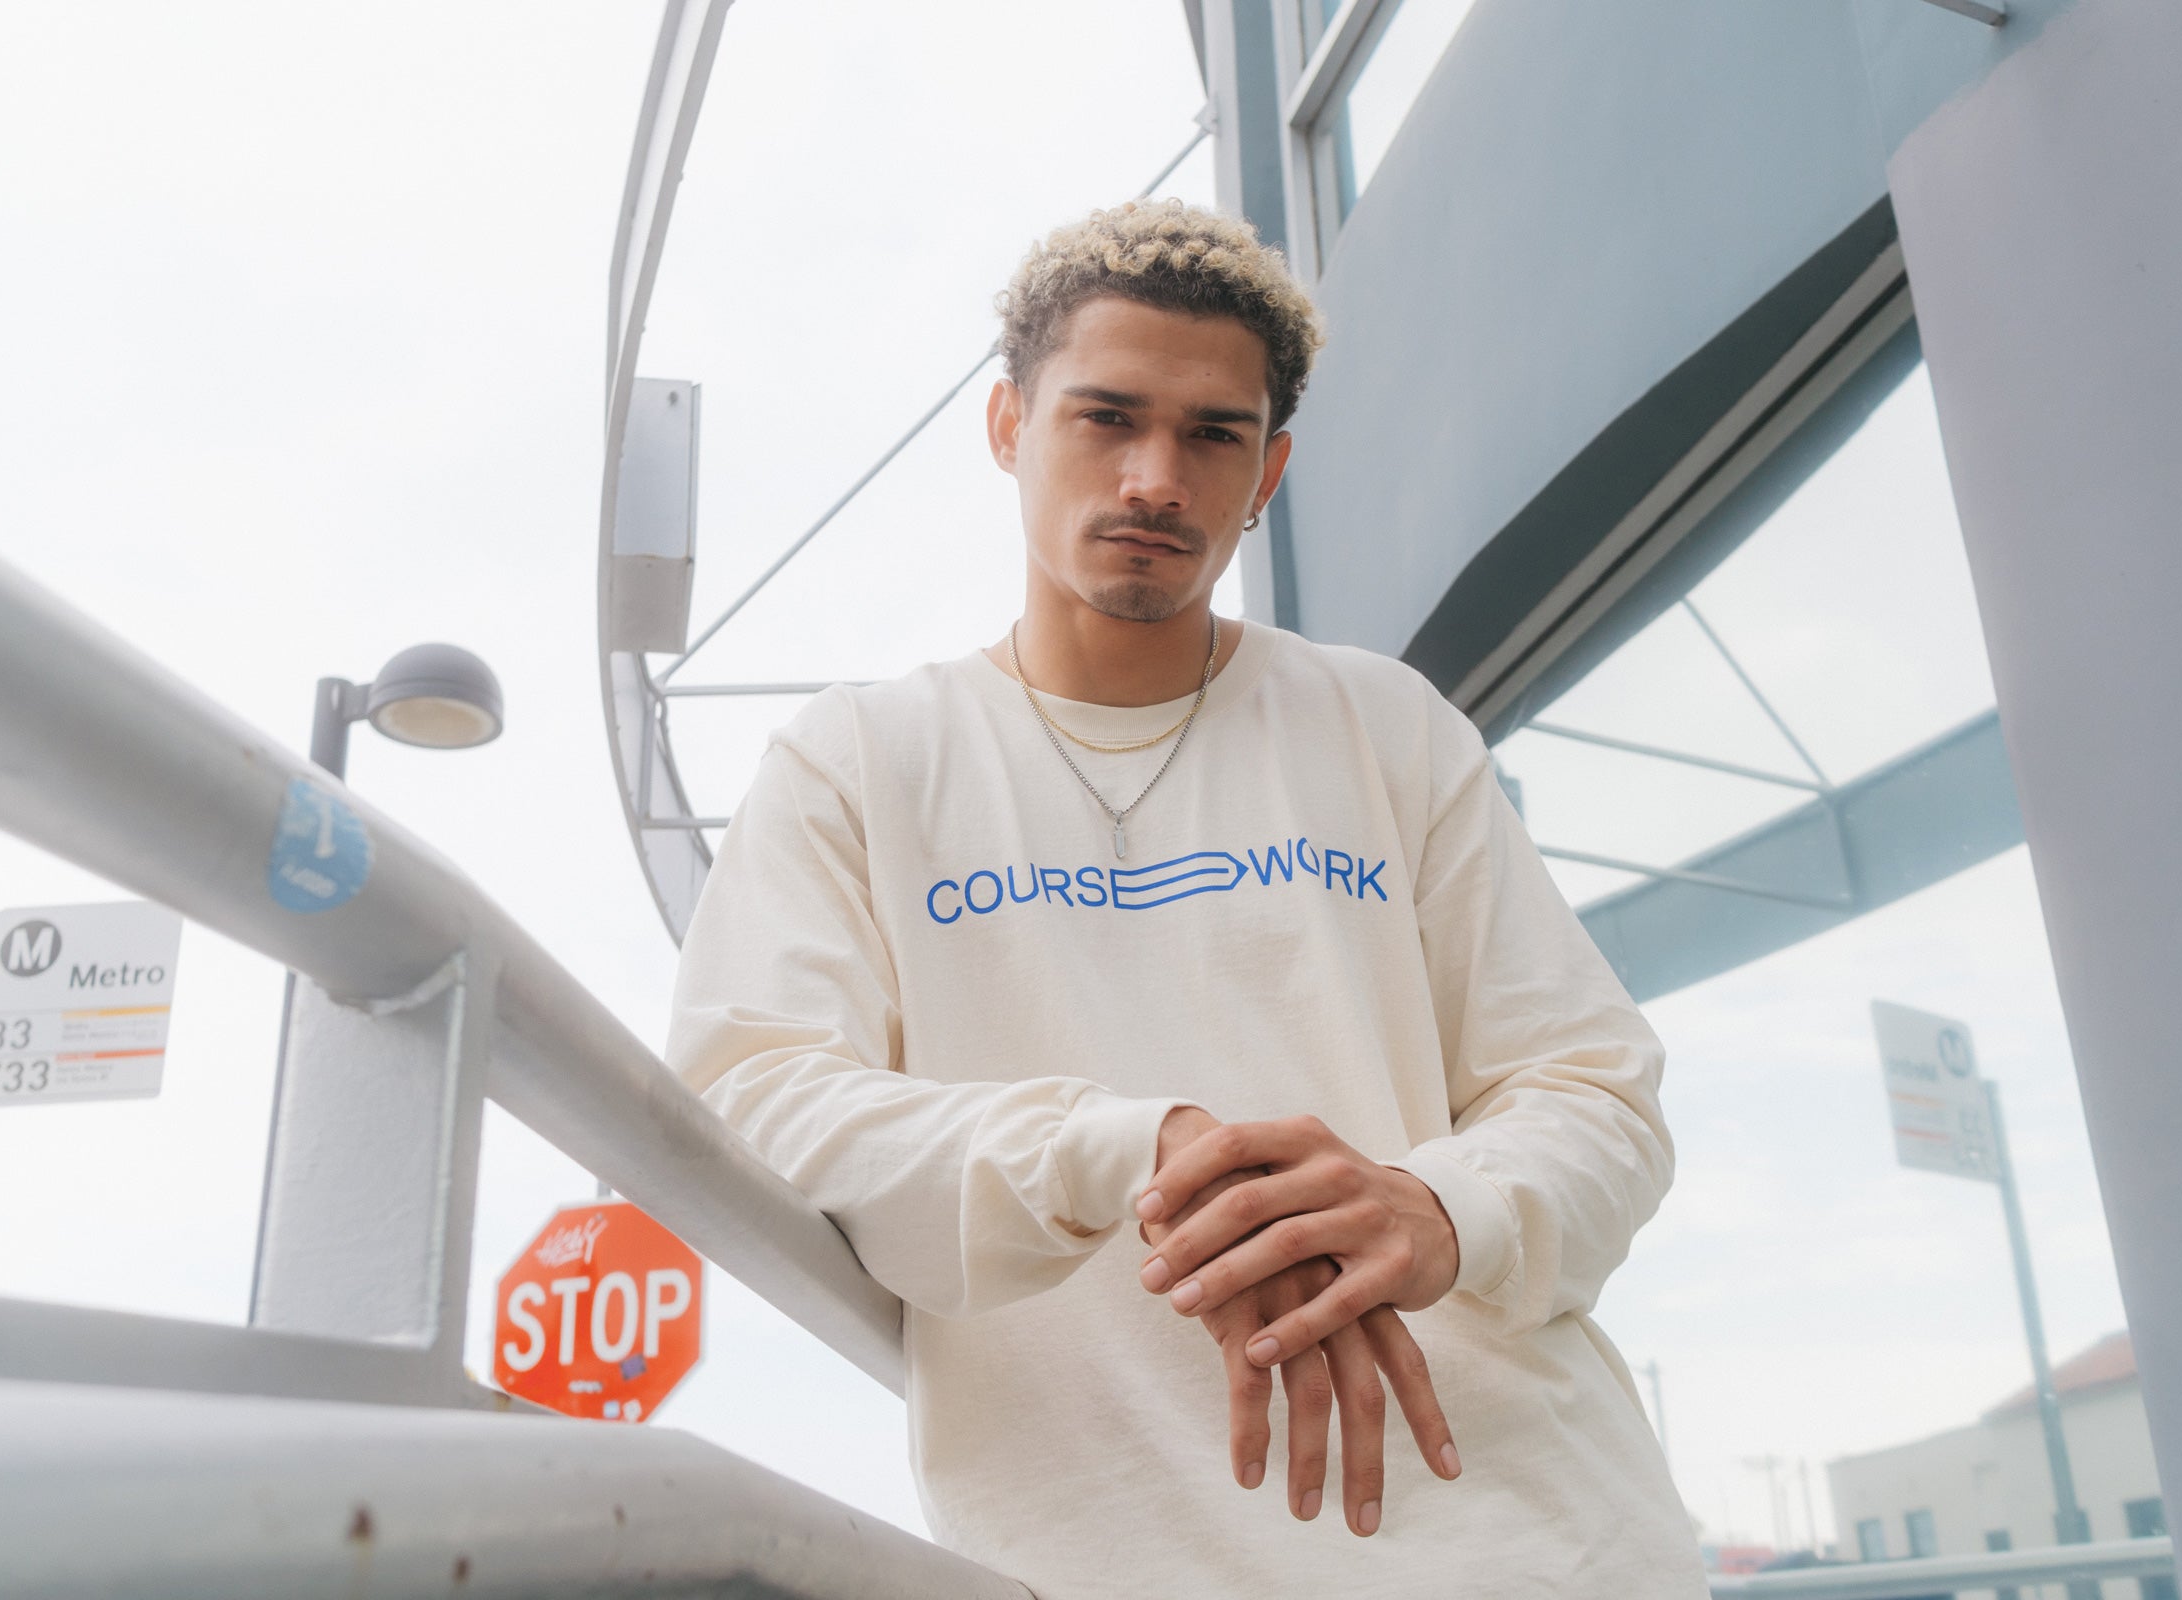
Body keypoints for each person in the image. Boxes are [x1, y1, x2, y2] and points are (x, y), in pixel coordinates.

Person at [666, 198, 1704, 1597]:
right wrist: (1127, 1151)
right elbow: (750, 1102)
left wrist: (1435, 1208)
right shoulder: (862, 762)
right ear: (1006, 429)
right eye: (1107, 417)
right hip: (1122, 1558)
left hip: (1544, 1543)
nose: (1157, 475)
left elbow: (1597, 1094)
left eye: (1214, 435)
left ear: (1267, 468)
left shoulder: (1381, 728)